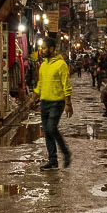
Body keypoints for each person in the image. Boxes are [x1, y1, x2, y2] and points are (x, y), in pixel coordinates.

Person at [31, 37, 73, 170]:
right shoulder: (43, 65)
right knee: (47, 132)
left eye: (43, 48)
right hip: (44, 102)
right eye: (41, 48)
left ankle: (66, 152)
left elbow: (66, 85)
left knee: (51, 128)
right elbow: (40, 84)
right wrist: (32, 98)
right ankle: (53, 160)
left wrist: (68, 103)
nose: (41, 50)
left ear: (51, 49)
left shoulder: (61, 64)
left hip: (57, 102)